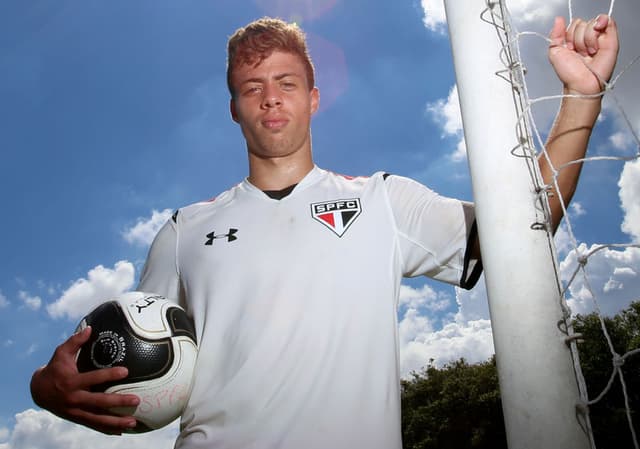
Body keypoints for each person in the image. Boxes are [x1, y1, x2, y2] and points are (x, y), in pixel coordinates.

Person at [31, 13, 619, 449]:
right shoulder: (185, 231)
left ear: (314, 97)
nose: (270, 99)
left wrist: (582, 97)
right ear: (233, 107)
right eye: (251, 87)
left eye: (286, 83)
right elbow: (130, 365)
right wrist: (45, 388)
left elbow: (525, 225)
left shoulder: (385, 201)